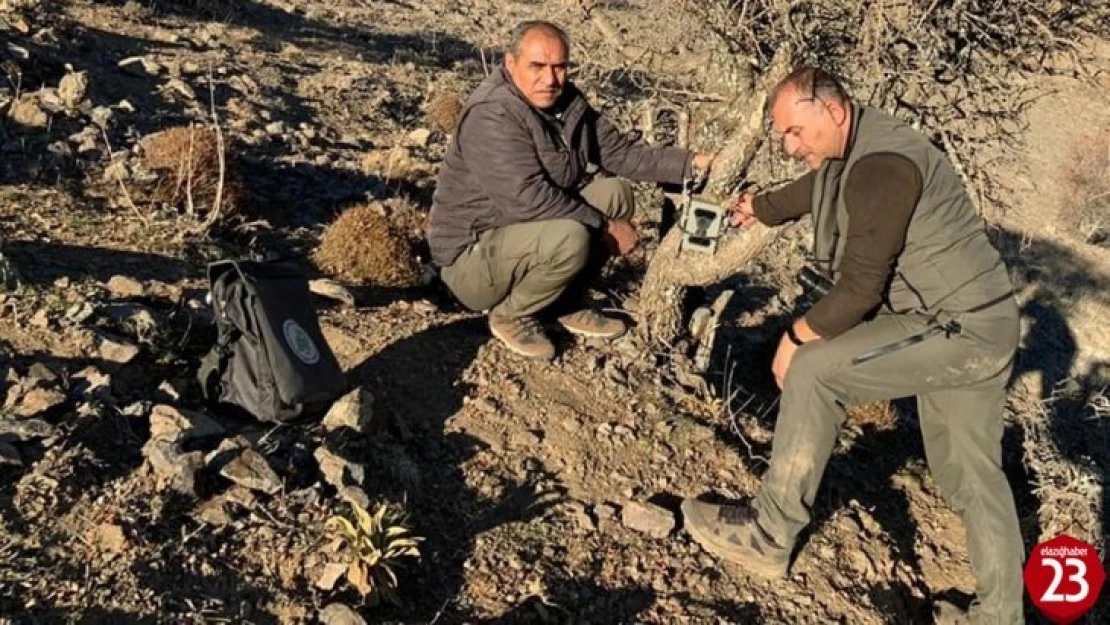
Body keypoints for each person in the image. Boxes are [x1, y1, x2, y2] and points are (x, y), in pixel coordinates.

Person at [680, 67, 1024, 624]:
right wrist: (761, 208)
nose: (790, 147)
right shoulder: (865, 141)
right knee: (973, 473)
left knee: (816, 369)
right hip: (988, 323)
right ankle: (1001, 616)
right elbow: (821, 186)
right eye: (783, 135)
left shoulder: (883, 168)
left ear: (832, 111)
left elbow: (861, 290)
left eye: (795, 131)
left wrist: (794, 336)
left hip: (953, 326)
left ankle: (770, 534)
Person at [427, 20, 712, 360]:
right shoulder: (493, 114)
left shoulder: (567, 103)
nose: (550, 79)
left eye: (559, 67)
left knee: (616, 194)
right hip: (473, 258)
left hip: (521, 236)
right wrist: (605, 226)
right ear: (510, 63)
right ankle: (512, 314)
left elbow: (621, 153)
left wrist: (693, 163)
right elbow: (528, 199)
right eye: (537, 66)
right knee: (571, 236)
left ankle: (561, 303)